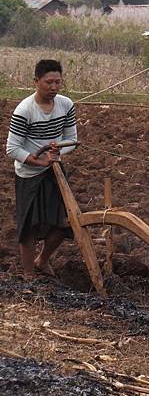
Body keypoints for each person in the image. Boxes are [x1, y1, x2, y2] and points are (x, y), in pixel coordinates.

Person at [5, 59, 76, 278]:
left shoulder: (66, 105)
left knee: (64, 223)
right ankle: (28, 275)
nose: (54, 87)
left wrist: (56, 155)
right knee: (30, 225)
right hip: (29, 174)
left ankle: (42, 260)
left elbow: (72, 139)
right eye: (48, 82)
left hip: (54, 171)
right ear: (36, 81)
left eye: (58, 82)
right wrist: (39, 161)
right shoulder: (25, 110)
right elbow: (12, 149)